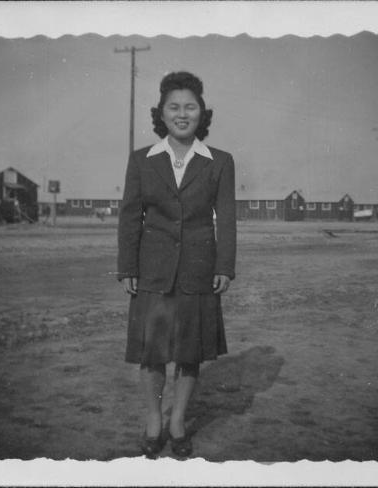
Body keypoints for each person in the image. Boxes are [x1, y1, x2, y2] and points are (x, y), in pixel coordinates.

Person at [117, 71, 236, 459]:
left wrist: (224, 266)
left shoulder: (220, 162)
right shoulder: (141, 160)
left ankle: (178, 422)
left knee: (189, 353)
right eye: (174, 107)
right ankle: (154, 421)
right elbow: (130, 216)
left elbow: (227, 218)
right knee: (151, 352)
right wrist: (127, 267)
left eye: (190, 106)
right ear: (161, 114)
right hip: (152, 272)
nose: (182, 114)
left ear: (202, 113)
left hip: (199, 271)